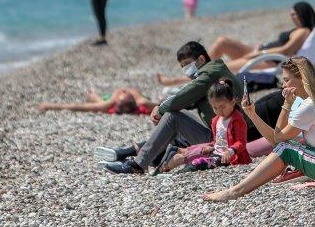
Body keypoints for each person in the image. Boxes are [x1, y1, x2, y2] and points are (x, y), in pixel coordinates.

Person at [202, 57, 315, 201]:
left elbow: (278, 141)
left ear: (302, 79)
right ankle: (236, 190)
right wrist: (254, 113)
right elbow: (279, 139)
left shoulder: (310, 105)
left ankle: (235, 192)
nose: (283, 85)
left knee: (286, 149)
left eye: (286, 80)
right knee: (290, 146)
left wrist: (282, 106)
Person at [100, 42, 242, 174]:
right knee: (175, 120)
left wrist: (160, 109)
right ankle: (145, 157)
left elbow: (185, 94)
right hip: (224, 133)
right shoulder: (215, 71)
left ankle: (137, 164)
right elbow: (187, 99)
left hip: (227, 139)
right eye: (183, 66)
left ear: (201, 59)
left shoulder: (209, 75)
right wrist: (163, 107)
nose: (186, 69)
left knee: (172, 118)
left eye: (187, 63)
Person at [157, 79, 250, 173]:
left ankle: (179, 173)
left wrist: (230, 151)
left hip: (227, 158)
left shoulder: (237, 120)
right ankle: (166, 167)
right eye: (215, 108)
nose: (219, 111)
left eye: (222, 107)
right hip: (215, 152)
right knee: (197, 150)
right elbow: (217, 141)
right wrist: (211, 146)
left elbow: (241, 142)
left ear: (232, 102)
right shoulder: (216, 120)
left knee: (197, 162)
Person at [203, 1, 315, 74]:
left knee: (220, 68)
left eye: (293, 14)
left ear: (302, 13)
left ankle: (200, 74)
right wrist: (260, 50)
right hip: (263, 54)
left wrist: (259, 53)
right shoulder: (300, 30)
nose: (292, 17)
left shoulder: (303, 31)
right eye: (291, 15)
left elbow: (286, 50)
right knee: (222, 41)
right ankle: (201, 70)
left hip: (268, 60)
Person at [39, 87, 154, 115]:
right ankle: (93, 94)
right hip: (110, 101)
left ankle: (93, 94)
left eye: (122, 94)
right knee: (98, 102)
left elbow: (80, 107)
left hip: (107, 100)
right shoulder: (140, 101)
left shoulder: (111, 102)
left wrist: (50, 106)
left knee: (96, 101)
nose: (122, 92)